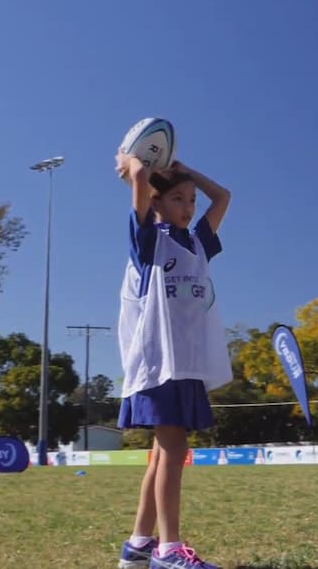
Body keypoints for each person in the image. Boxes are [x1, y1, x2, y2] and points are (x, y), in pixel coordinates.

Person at [114, 149, 233, 569]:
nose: (187, 207)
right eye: (177, 199)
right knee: (174, 447)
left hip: (186, 363)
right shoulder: (148, 242)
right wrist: (134, 167)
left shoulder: (198, 243)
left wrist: (186, 174)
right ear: (158, 203)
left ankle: (139, 545)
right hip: (157, 363)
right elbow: (141, 179)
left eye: (190, 201)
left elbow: (223, 197)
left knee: (164, 454)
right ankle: (170, 550)